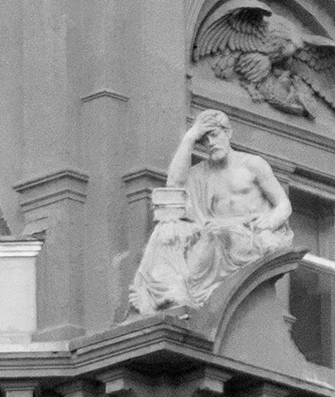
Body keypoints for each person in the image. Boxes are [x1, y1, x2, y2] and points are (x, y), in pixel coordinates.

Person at [125, 108, 293, 318]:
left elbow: (283, 205)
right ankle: (170, 291)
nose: (210, 143)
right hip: (215, 232)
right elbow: (174, 185)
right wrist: (189, 138)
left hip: (250, 237)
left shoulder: (252, 164)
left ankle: (179, 289)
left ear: (228, 133)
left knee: (213, 235)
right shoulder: (200, 173)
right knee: (167, 229)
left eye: (214, 135)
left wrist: (268, 224)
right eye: (204, 140)